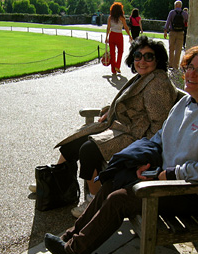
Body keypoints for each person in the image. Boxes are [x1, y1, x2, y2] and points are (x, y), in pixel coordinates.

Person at [44, 45, 198, 254]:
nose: (190, 74)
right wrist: (145, 159)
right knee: (113, 180)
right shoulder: (186, 103)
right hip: (169, 179)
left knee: (121, 199)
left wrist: (169, 175)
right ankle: (72, 237)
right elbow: (161, 137)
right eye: (189, 67)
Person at [31, 36, 178, 218]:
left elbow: (160, 124)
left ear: (158, 59)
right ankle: (53, 183)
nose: (142, 61)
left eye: (149, 57)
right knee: (73, 143)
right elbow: (132, 104)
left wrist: (142, 149)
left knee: (89, 150)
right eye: (138, 56)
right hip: (119, 128)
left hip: (135, 138)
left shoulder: (158, 84)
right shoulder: (144, 77)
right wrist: (111, 111)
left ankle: (95, 201)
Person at [105, 2, 133, 74]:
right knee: (120, 51)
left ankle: (113, 70)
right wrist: (129, 35)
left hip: (112, 35)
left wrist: (106, 37)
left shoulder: (110, 17)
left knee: (112, 52)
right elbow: (126, 27)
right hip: (119, 35)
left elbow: (108, 28)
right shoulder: (121, 18)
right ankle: (117, 65)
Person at [164, 1, 188, 69]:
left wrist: (165, 31)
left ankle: (170, 64)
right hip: (180, 32)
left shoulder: (172, 12)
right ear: (181, 6)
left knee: (171, 49)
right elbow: (187, 22)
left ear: (175, 6)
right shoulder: (185, 13)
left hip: (172, 32)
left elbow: (168, 22)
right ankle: (176, 65)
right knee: (178, 49)